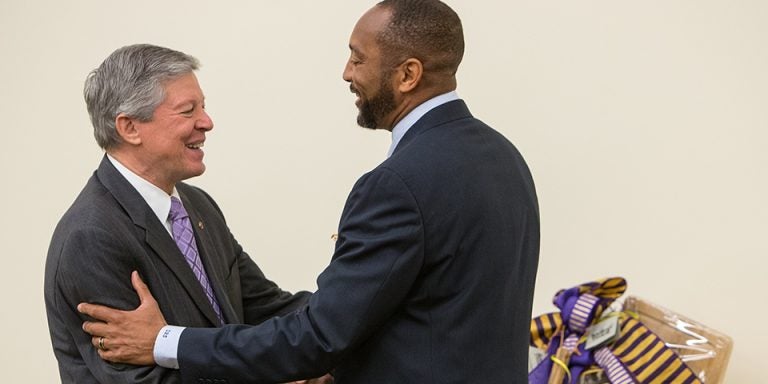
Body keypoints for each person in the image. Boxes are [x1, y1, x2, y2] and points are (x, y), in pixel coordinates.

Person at [79, 1, 541, 382]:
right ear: (128, 127)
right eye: (189, 109)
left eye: (359, 58)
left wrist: (163, 341)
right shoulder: (504, 158)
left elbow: (316, 335)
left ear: (408, 75)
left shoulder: (396, 185)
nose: (346, 72)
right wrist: (327, 335)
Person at [44, 44, 319, 383]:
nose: (207, 122)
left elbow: (265, 308)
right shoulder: (91, 237)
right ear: (130, 127)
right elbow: (145, 379)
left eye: (203, 107)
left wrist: (357, 310)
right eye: (188, 111)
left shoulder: (196, 205)